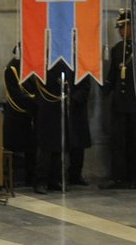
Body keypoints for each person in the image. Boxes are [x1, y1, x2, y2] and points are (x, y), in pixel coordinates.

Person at [27, 60, 91, 192]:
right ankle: (41, 180)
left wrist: (71, 100)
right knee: (45, 147)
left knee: (60, 145)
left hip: (64, 107)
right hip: (47, 106)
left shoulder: (71, 61)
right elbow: (35, 82)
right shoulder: (43, 61)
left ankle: (55, 179)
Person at [102, 11, 136, 189]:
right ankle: (118, 176)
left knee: (135, 141)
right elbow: (112, 74)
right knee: (118, 141)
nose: (120, 31)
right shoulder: (117, 49)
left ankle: (135, 177)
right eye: (119, 27)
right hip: (119, 102)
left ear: (131, 27)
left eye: (123, 27)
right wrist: (104, 88)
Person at [2, 44, 36, 187]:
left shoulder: (31, 67)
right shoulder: (12, 69)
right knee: (14, 147)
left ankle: (31, 178)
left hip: (31, 115)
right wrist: (35, 100)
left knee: (32, 149)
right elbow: (15, 93)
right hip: (16, 115)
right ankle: (11, 179)